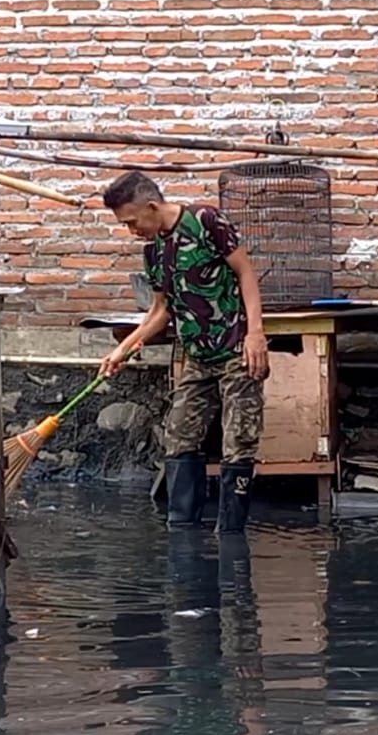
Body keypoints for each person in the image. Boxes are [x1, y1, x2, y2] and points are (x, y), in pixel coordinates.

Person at [98, 170, 270, 532]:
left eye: (131, 222)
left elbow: (246, 273)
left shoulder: (205, 221)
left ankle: (232, 533)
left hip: (236, 348)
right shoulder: (154, 250)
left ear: (151, 206)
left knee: (239, 439)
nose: (132, 231)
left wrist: (256, 333)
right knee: (179, 435)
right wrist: (122, 352)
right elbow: (160, 311)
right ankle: (182, 529)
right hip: (195, 354)